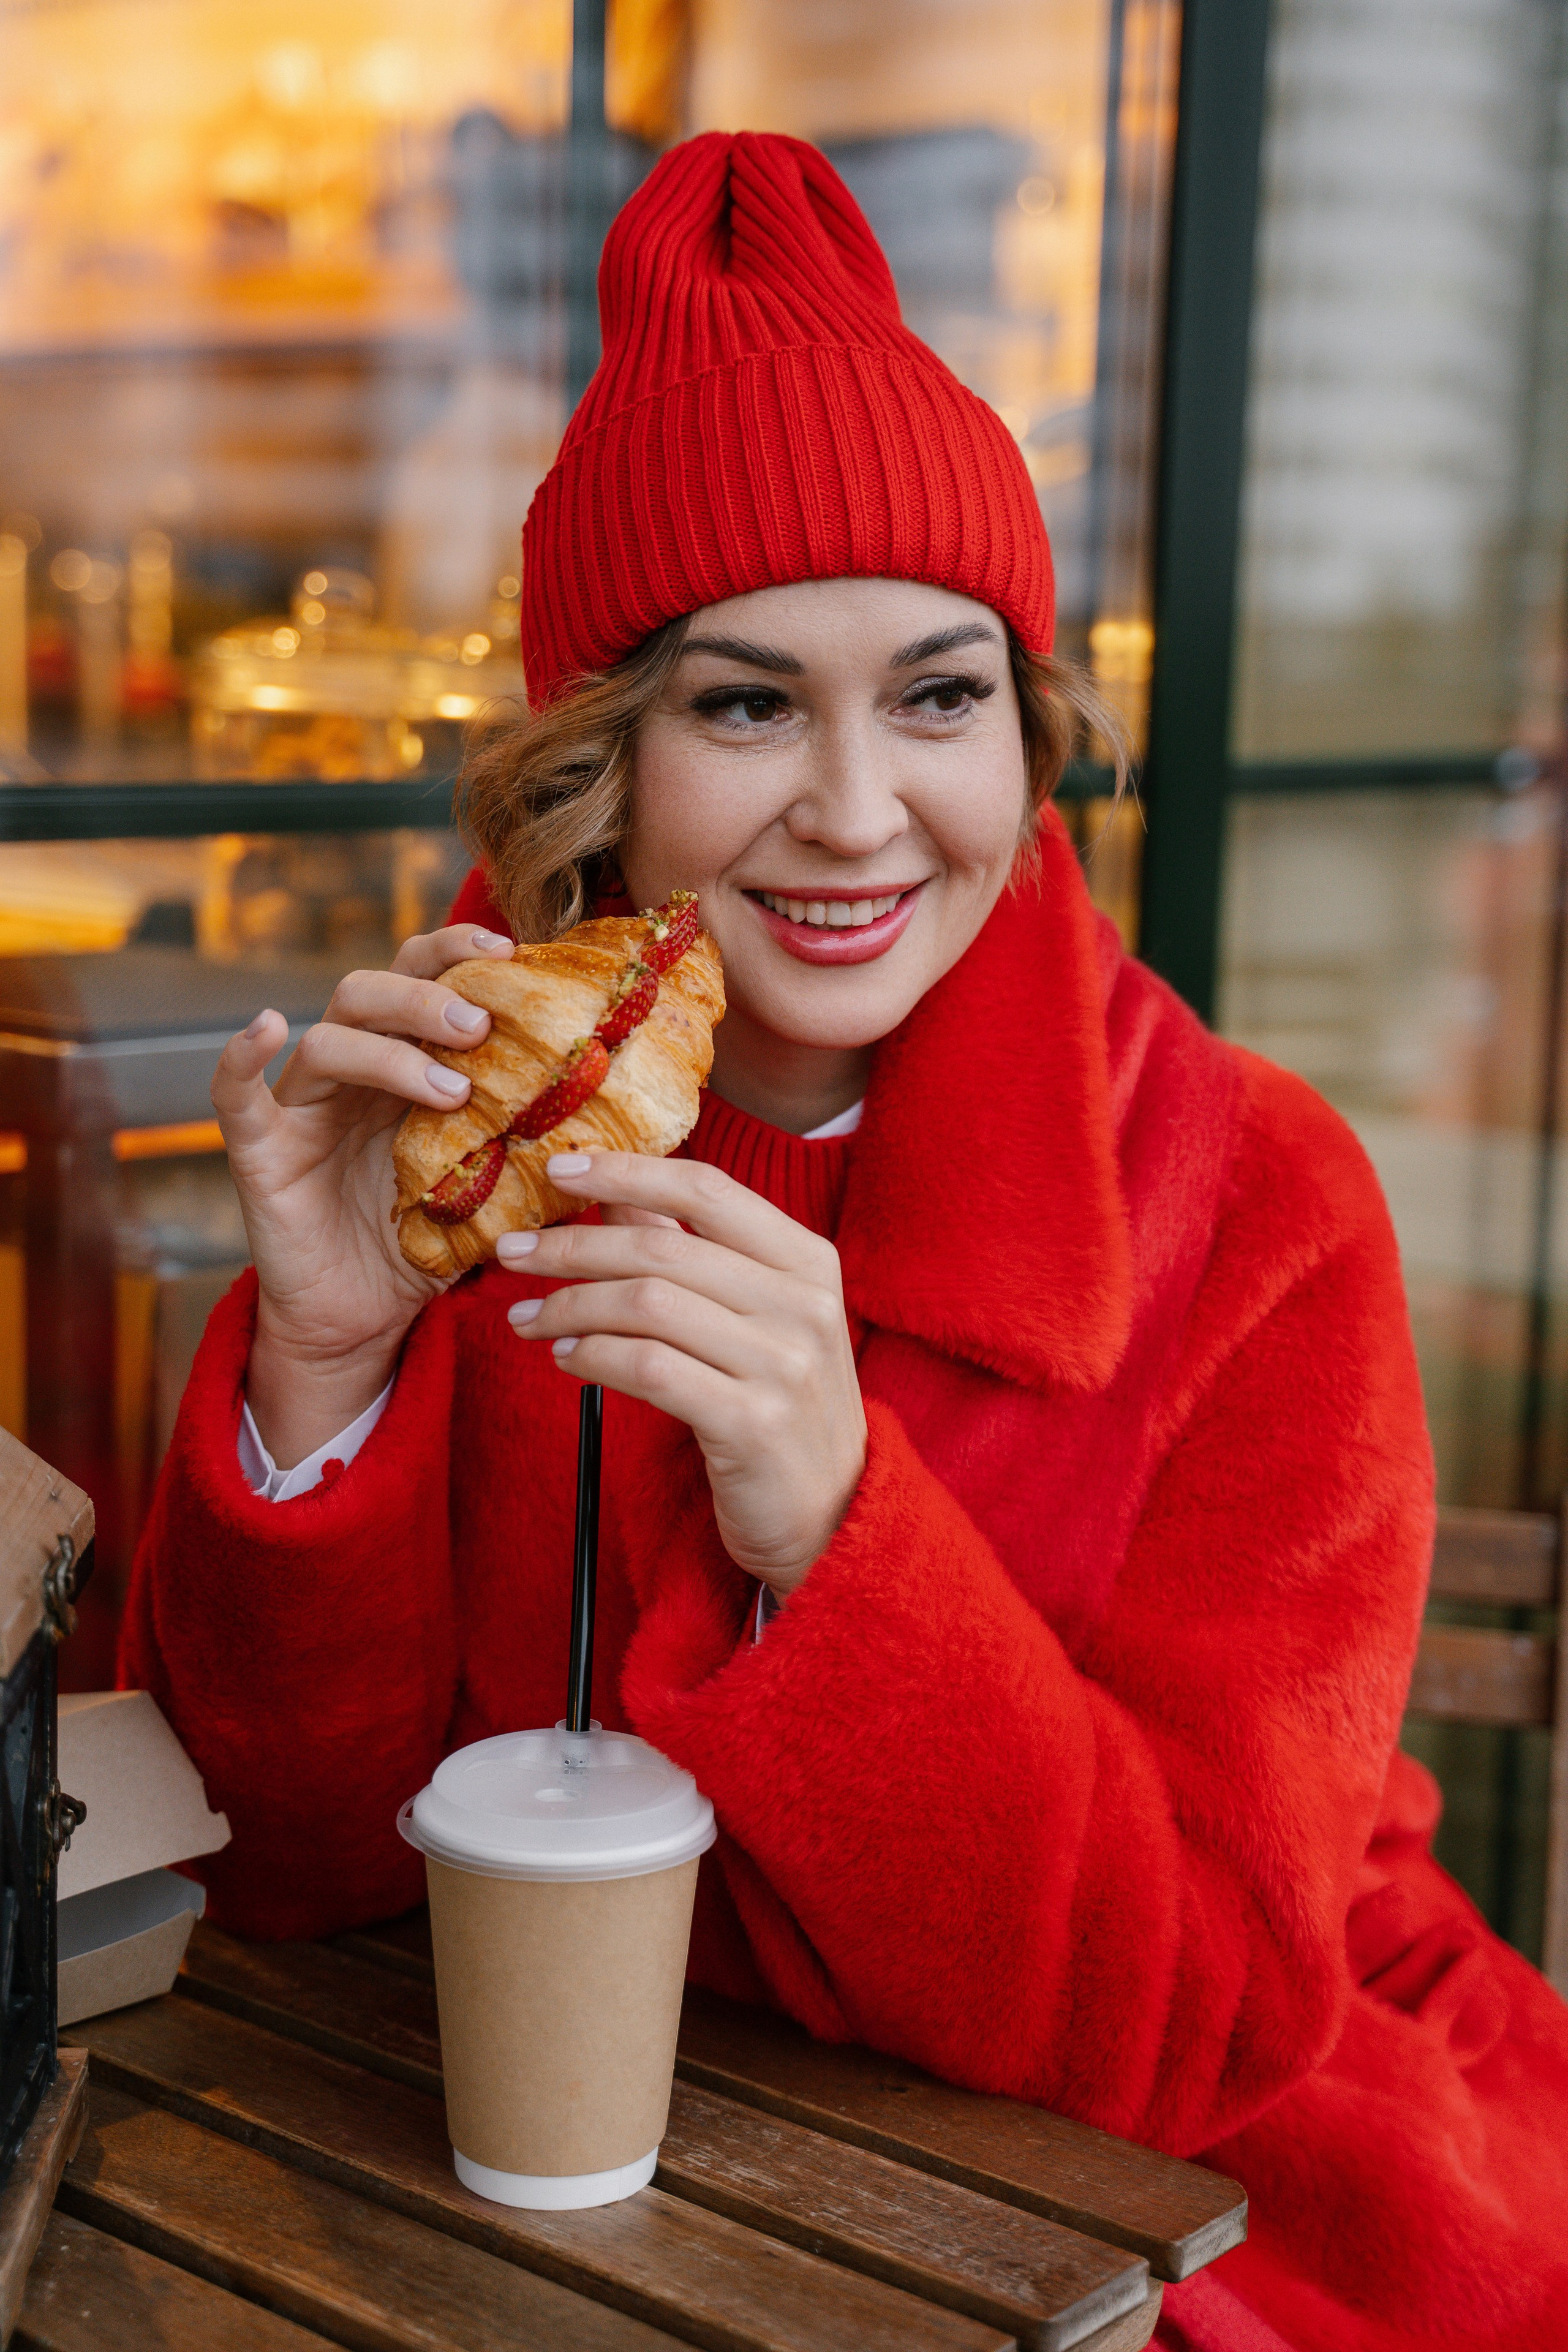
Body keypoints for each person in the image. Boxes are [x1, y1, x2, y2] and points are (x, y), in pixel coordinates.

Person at [124, 134, 1568, 2352]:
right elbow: (287, 1888)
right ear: (603, 761)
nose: (859, 809)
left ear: (1028, 723)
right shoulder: (487, 1142)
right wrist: (322, 1372)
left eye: (938, 691)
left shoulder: (1252, 1200)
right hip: (573, 2190)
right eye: (741, 703)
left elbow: (1187, 2045)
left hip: (1179, 2215)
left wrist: (839, 1525)